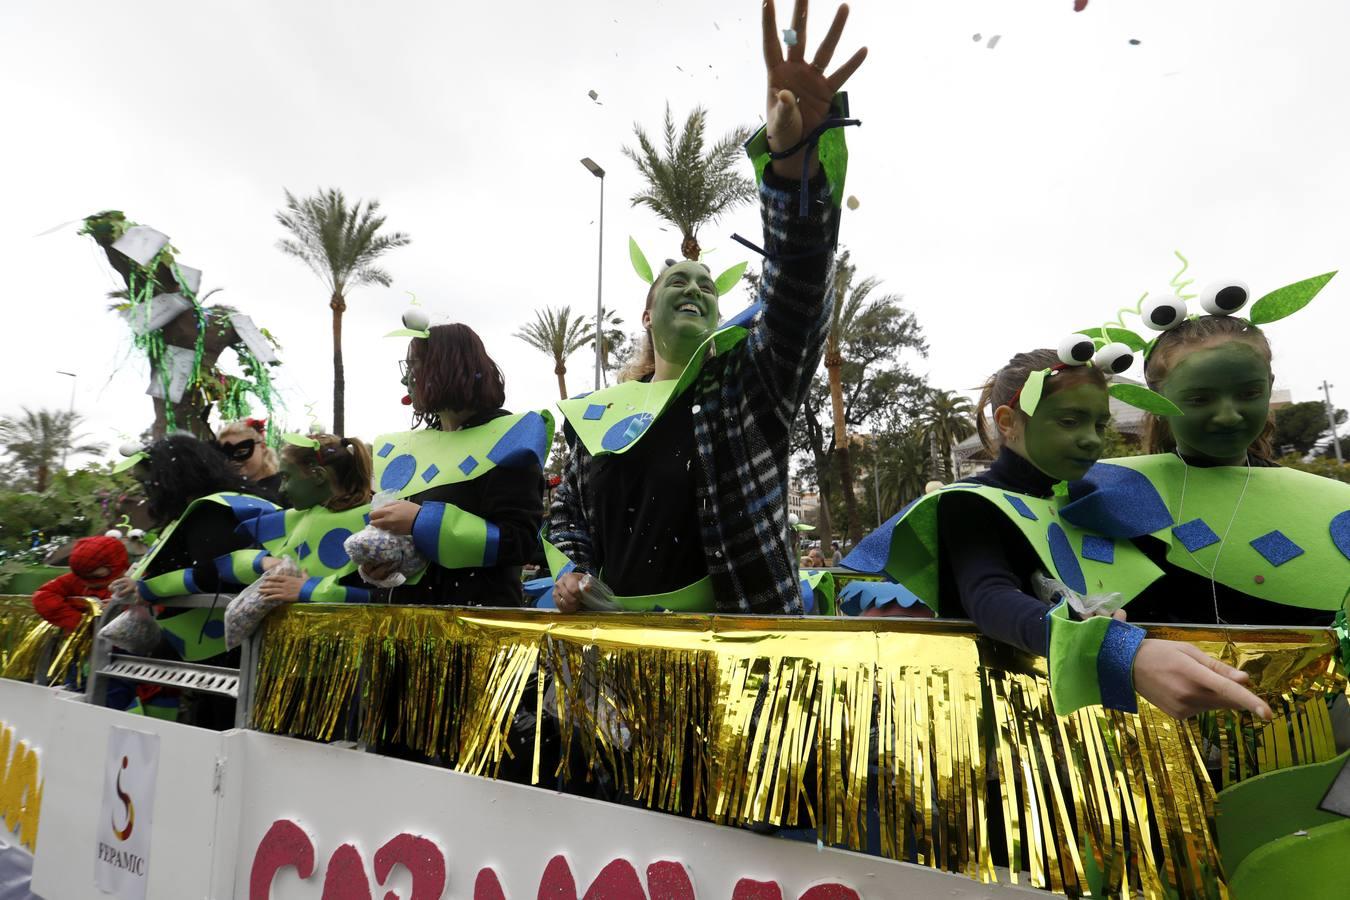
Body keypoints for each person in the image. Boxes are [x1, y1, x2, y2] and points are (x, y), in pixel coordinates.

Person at [550, 0, 866, 615]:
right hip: (611, 664)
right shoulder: (593, 419)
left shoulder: (749, 388)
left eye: (706, 285)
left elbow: (799, 291)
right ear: (646, 316)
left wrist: (792, 161)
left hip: (739, 663)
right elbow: (569, 521)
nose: (694, 288)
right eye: (676, 283)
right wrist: (574, 575)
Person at [843, 347, 1273, 721]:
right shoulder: (970, 503)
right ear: (1008, 421)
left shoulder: (1097, 501)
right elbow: (990, 597)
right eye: (1070, 421)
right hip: (1011, 731)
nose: (1091, 440)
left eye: (1099, 425)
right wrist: (1119, 651)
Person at [1063, 309, 1350, 627]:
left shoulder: (1328, 508)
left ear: (1269, 386)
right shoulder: (1102, 498)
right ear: (1155, 400)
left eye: (1249, 394)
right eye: (1200, 399)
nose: (1228, 415)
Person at [362, 322, 552, 607]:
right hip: (409, 626)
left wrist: (421, 521)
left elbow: (519, 542)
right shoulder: (410, 449)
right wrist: (381, 566)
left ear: (445, 367)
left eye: (413, 366)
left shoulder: (507, 439)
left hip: (477, 627)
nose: (406, 380)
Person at [108, 435, 278, 664]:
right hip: (219, 646)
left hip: (226, 652)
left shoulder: (210, 510)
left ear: (171, 479)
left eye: (149, 482)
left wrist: (149, 588)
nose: (148, 491)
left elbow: (216, 573)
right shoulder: (227, 502)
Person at [214, 434, 373, 604]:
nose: (281, 489)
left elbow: (388, 596)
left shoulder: (374, 525)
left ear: (318, 476)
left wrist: (309, 590)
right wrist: (263, 562)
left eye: (286, 477)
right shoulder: (289, 520)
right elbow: (220, 568)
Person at [31, 535, 128, 630]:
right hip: (84, 639)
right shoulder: (74, 579)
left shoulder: (133, 582)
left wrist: (123, 606)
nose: (89, 583)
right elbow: (43, 596)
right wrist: (78, 622)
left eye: (97, 576)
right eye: (83, 576)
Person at [216, 417, 283, 498]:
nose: (232, 460)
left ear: (262, 447)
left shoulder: (282, 488)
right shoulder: (228, 491)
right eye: (225, 455)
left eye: (241, 452)